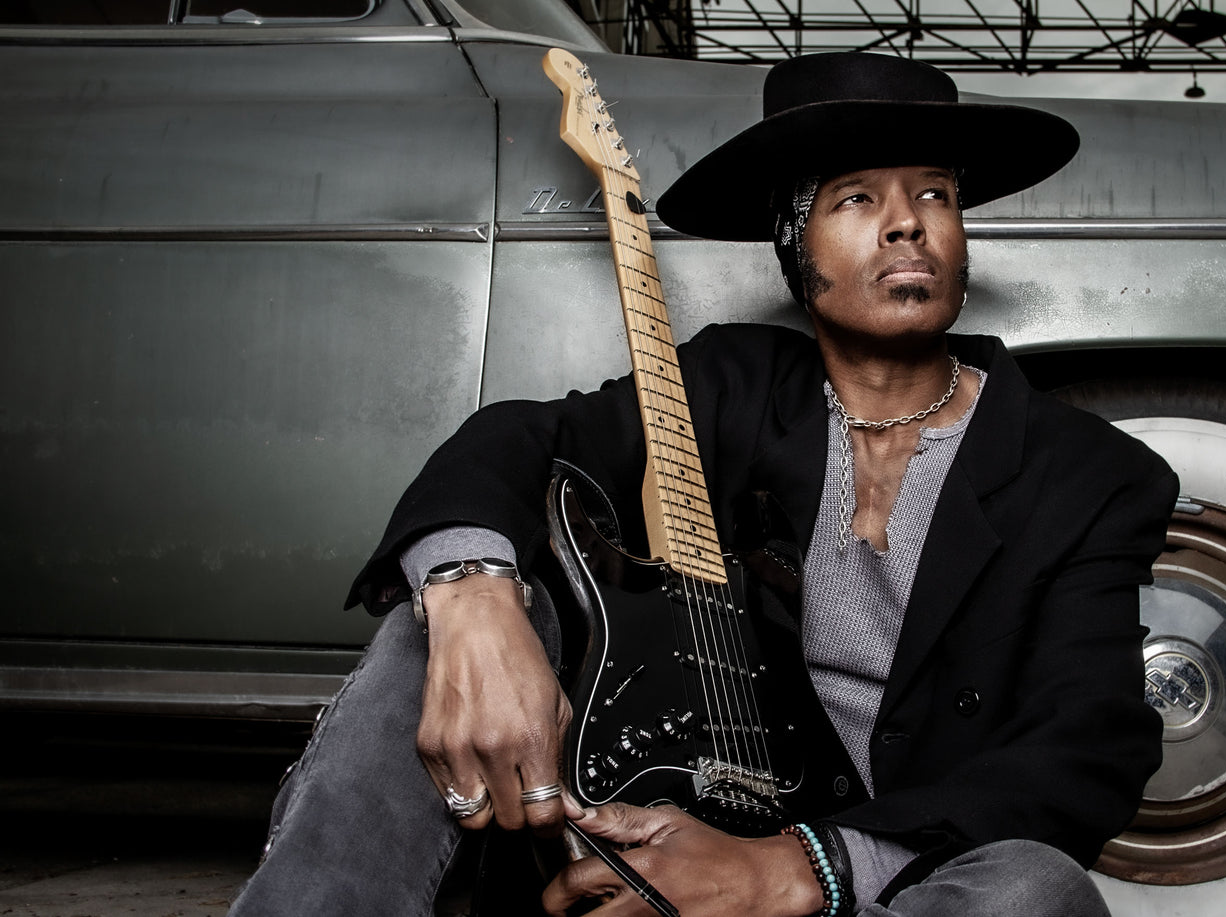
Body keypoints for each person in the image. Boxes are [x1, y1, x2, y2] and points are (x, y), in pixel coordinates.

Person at [230, 51, 1176, 917]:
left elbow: (1088, 743)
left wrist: (793, 867)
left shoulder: (1088, 473)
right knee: (446, 623)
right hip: (652, 820)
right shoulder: (728, 386)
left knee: (1033, 888)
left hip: (875, 878)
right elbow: (523, 438)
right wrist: (472, 595)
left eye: (934, 193)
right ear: (790, 242)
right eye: (855, 199)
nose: (907, 223)